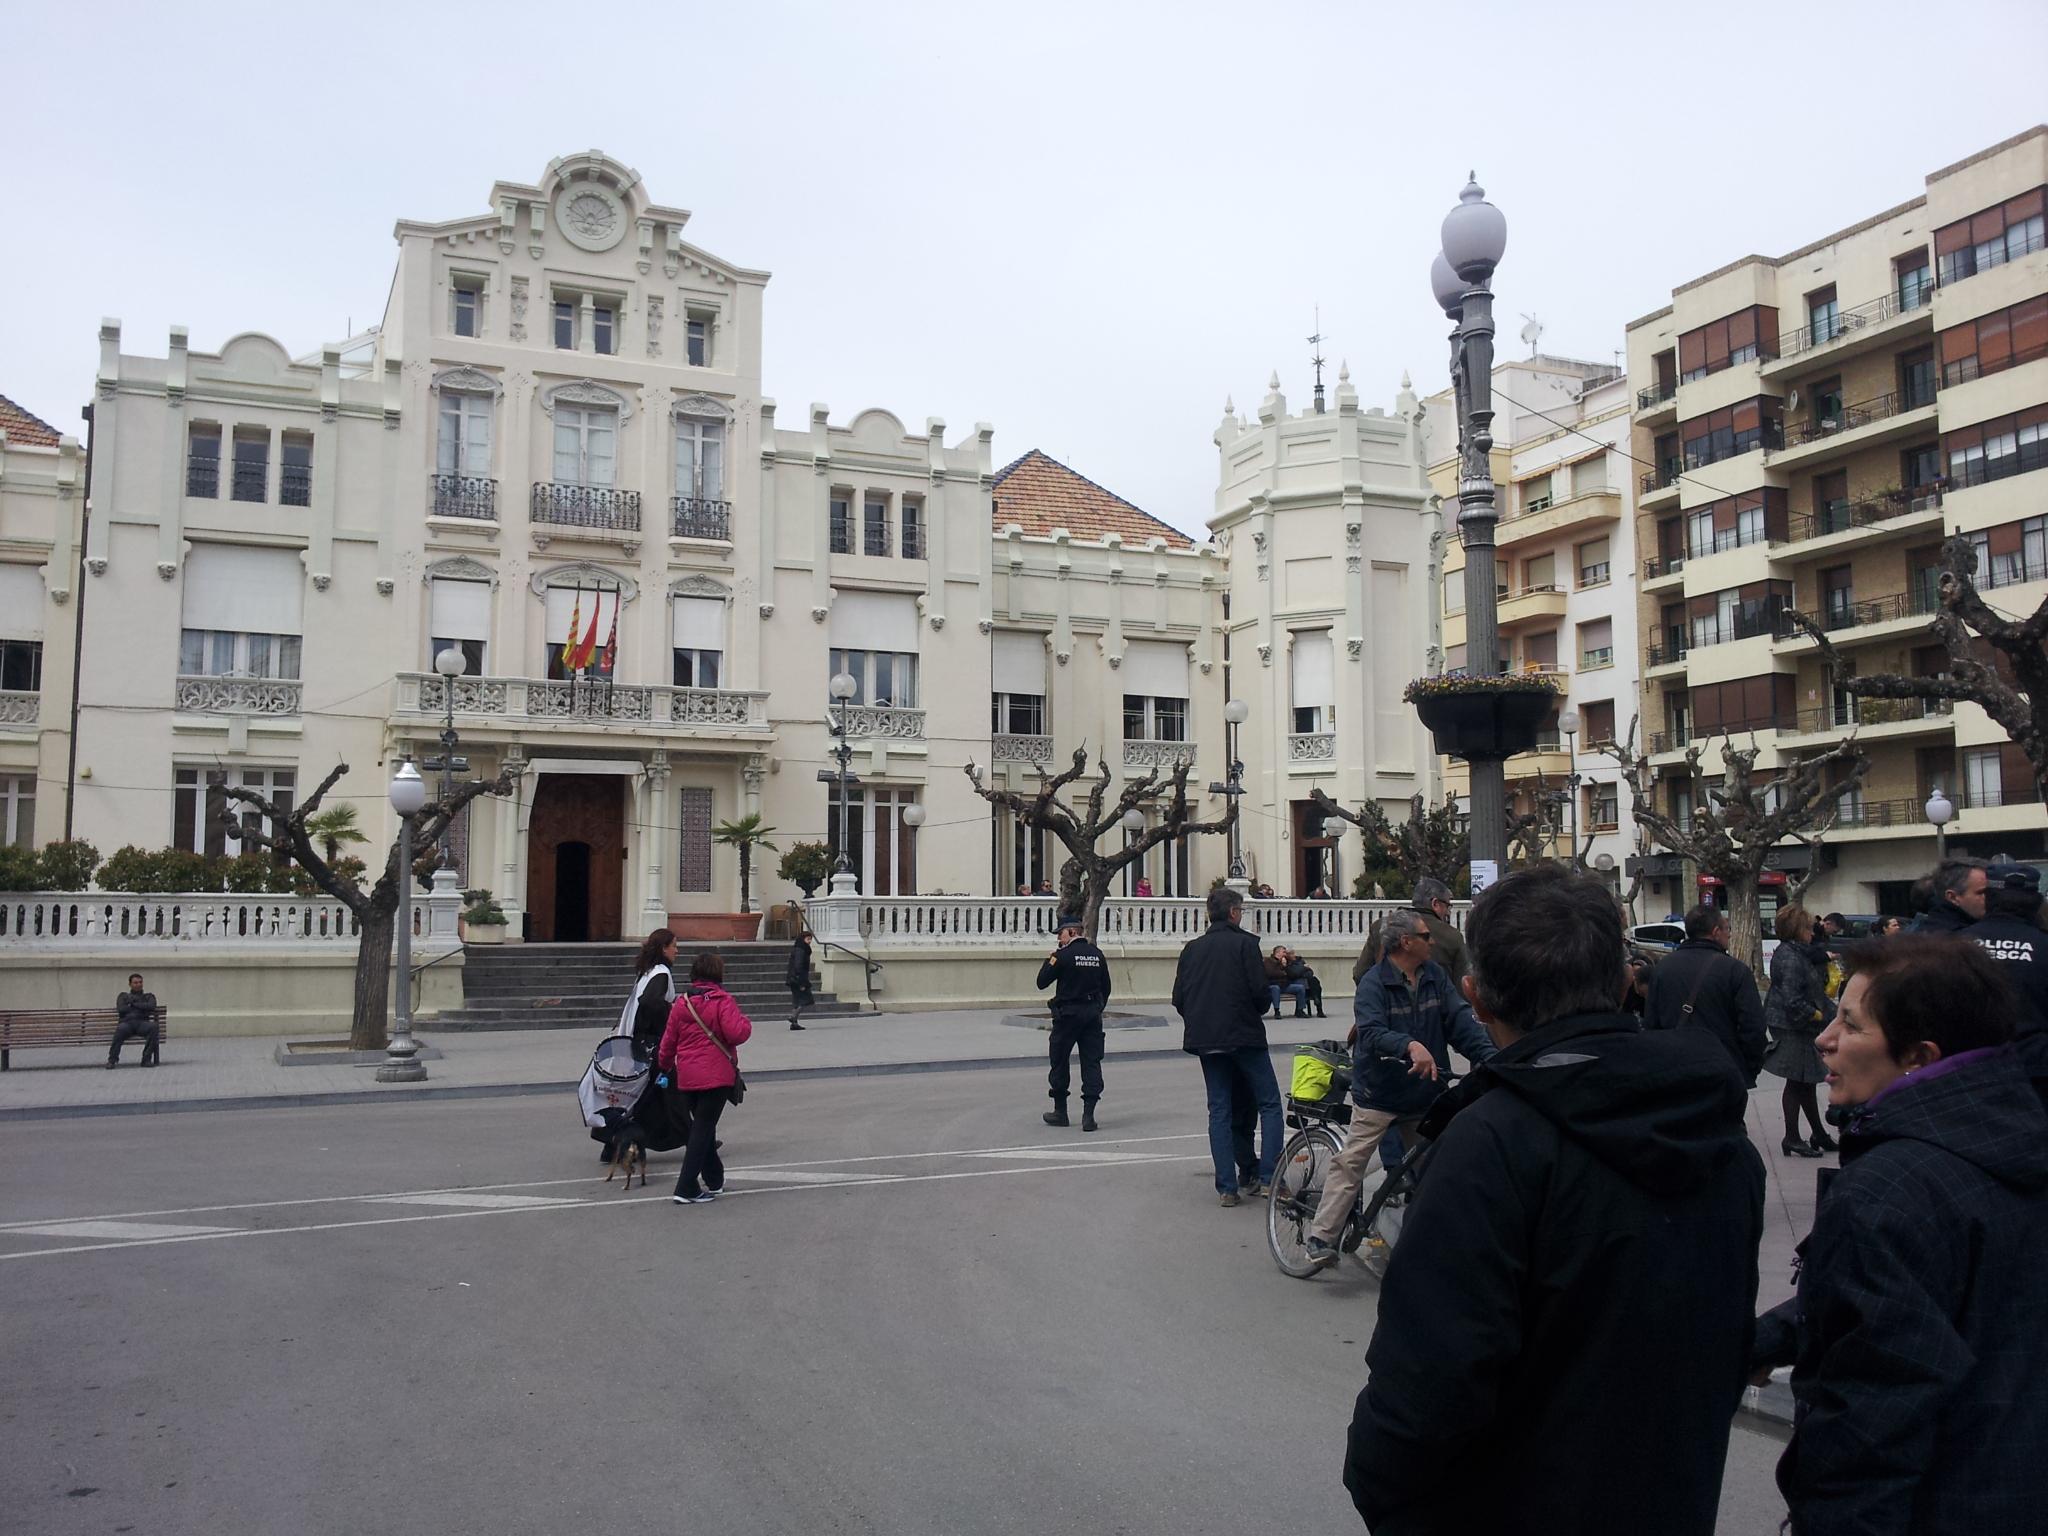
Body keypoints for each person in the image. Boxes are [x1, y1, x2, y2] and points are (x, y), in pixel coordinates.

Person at [1345, 864, 1765, 1536]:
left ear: (1476, 998)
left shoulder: (1489, 1146)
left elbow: (1421, 1397)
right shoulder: (1719, 1133)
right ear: (1626, 982)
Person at [1750, 937, 2048, 1533]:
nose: (1825, 1038)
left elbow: (1869, 1429)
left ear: (1918, 1055)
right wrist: (1771, 1337)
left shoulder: (1888, 1190)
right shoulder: (2013, 1136)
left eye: (1851, 1024)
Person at [1303, 908, 1495, 1271]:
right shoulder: (1375, 984)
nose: (1432, 941)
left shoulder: (1434, 976)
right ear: (1406, 942)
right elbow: (1372, 1034)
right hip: (1380, 1093)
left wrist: (1492, 1057)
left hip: (1423, 1092)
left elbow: (1459, 1023)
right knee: (1352, 1164)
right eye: (1425, 937)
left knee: (1434, 1166)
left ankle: (1432, 1238)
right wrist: (1410, 1045)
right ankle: (1321, 1237)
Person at [1173, 885, 1281, 1207]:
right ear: (1234, 913)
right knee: (1269, 1104)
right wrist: (1254, 1011)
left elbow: (1179, 998)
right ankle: (1268, 1176)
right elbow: (1260, 993)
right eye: (1241, 911)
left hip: (1207, 1039)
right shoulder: (1245, 945)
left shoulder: (1191, 949)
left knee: (1220, 1109)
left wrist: (1200, 1019)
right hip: (1245, 1035)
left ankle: (1227, 1186)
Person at [657, 951, 754, 1205]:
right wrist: (746, 1023)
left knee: (703, 1126)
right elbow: (736, 1033)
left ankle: (714, 1178)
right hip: (715, 1075)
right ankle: (686, 1185)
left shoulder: (681, 1003)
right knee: (702, 1129)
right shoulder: (722, 1001)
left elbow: (669, 1040)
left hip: (687, 1076)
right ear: (717, 973)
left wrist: (665, 1065)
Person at [1643, 905, 1767, 1085]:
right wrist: (1748, 1068)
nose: (1730, 935)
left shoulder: (1662, 968)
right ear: (1716, 932)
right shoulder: (1735, 970)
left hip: (1675, 1070)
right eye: (1727, 929)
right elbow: (1753, 1027)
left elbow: (1652, 1023)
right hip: (1723, 1069)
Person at [1764, 904, 1836, 1158]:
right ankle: (1792, 1137)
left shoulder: (1795, 952)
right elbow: (1793, 999)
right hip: (1792, 1025)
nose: (1812, 933)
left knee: (1805, 1080)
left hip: (1796, 1022)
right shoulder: (1791, 957)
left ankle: (1817, 1132)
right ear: (1797, 930)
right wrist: (1818, 1015)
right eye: (1807, 928)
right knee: (1797, 1080)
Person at [1036, 914, 1111, 1131]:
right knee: (1092, 1062)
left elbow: (1041, 982)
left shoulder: (1063, 956)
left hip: (1067, 1015)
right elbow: (1106, 987)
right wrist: (1097, 1008)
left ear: (1073, 932)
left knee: (1059, 1060)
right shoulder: (1097, 954)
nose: (1059, 938)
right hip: (1091, 1015)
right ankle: (1089, 1115)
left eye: (1061, 933)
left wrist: (1052, 957)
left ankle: (1061, 1112)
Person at [1968, 863, 2048, 1032]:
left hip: (1970, 1054)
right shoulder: (2043, 945)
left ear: (1987, 898)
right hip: (2035, 1052)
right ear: (2036, 902)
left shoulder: (1952, 944)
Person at [1353, 876, 1468, 988]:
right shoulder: (1452, 936)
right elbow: (1462, 987)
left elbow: (1360, 974)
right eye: (1447, 906)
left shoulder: (1380, 926)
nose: (1448, 913)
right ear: (1435, 903)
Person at [1909, 856, 1988, 935]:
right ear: (1952, 897)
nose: (1991, 897)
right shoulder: (1951, 940)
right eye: (1981, 892)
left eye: (1992, 892)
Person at [107, 973, 160, 1068]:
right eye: (135, 983)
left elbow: (151, 1006)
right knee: (120, 1029)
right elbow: (121, 1009)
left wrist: (133, 1004)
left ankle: (146, 1059)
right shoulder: (123, 996)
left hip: (142, 1023)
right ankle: (112, 1060)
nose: (138, 984)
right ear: (130, 984)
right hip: (127, 1023)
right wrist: (141, 1007)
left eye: (140, 982)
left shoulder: (148, 996)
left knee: (154, 1027)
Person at [1263, 946, 1308, 1018]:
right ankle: (1277, 1011)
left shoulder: (1285, 961)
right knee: (1275, 989)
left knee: (1300, 988)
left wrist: (1285, 966)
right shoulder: (1268, 961)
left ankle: (1300, 1010)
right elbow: (1271, 973)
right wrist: (1283, 972)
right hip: (1273, 984)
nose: (1285, 954)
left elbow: (1290, 973)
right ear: (1277, 953)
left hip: (1284, 985)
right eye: (1283, 952)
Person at [786, 927, 815, 1030]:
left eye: (810, 939)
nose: (809, 941)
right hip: (798, 979)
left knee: (797, 1000)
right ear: (803, 939)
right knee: (806, 999)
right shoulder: (801, 950)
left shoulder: (799, 948)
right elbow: (799, 966)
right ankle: (793, 1016)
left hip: (793, 978)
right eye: (808, 939)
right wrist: (802, 982)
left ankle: (794, 1023)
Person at [1284, 949, 1325, 1019]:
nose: (1292, 955)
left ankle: (1318, 1007)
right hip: (1295, 981)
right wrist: (1304, 968)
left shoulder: (1300, 960)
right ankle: (1316, 1003)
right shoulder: (1287, 963)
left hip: (1307, 979)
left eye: (1292, 953)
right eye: (1289, 954)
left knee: (1315, 981)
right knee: (1307, 984)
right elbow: (1293, 974)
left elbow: (1310, 972)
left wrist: (1303, 971)